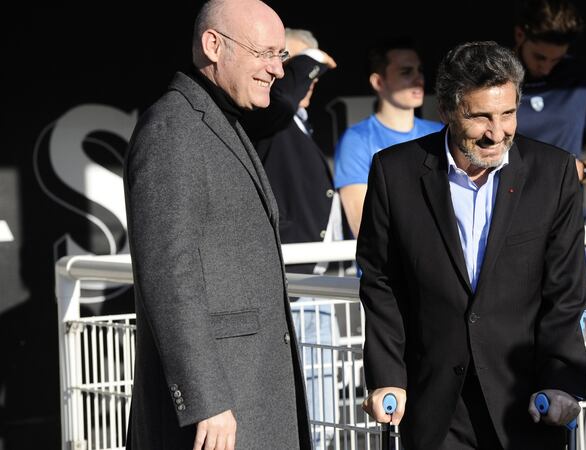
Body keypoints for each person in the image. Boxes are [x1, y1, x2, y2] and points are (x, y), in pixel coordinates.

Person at [358, 41, 586, 450]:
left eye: (507, 114)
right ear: (446, 111)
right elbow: (381, 282)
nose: (496, 132)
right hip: (433, 405)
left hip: (528, 401)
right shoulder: (394, 173)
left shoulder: (553, 175)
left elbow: (565, 291)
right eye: (480, 116)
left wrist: (561, 381)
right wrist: (387, 377)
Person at [123, 1, 311, 449]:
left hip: (249, 395)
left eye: (280, 56)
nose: (277, 70)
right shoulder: (172, 128)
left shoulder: (218, 121)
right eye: (265, 53)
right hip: (218, 412)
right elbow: (169, 275)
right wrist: (205, 398)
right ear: (213, 45)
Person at [512, 0, 586, 446]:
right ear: (519, 36)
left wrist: (579, 170)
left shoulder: (583, 83)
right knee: (513, 364)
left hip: (571, 246)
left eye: (557, 59)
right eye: (541, 57)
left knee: (584, 370)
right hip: (509, 247)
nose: (550, 67)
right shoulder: (496, 80)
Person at [241, 27, 340, 449]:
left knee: (325, 420)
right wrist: (311, 57)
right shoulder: (265, 112)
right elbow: (283, 94)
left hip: (319, 287)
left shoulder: (293, 121)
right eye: (287, 64)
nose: (303, 79)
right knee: (305, 423)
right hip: (290, 290)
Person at [333, 38, 443, 238]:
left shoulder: (441, 132)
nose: (418, 79)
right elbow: (362, 224)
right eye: (406, 72)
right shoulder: (356, 140)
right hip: (387, 267)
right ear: (378, 82)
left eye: (419, 70)